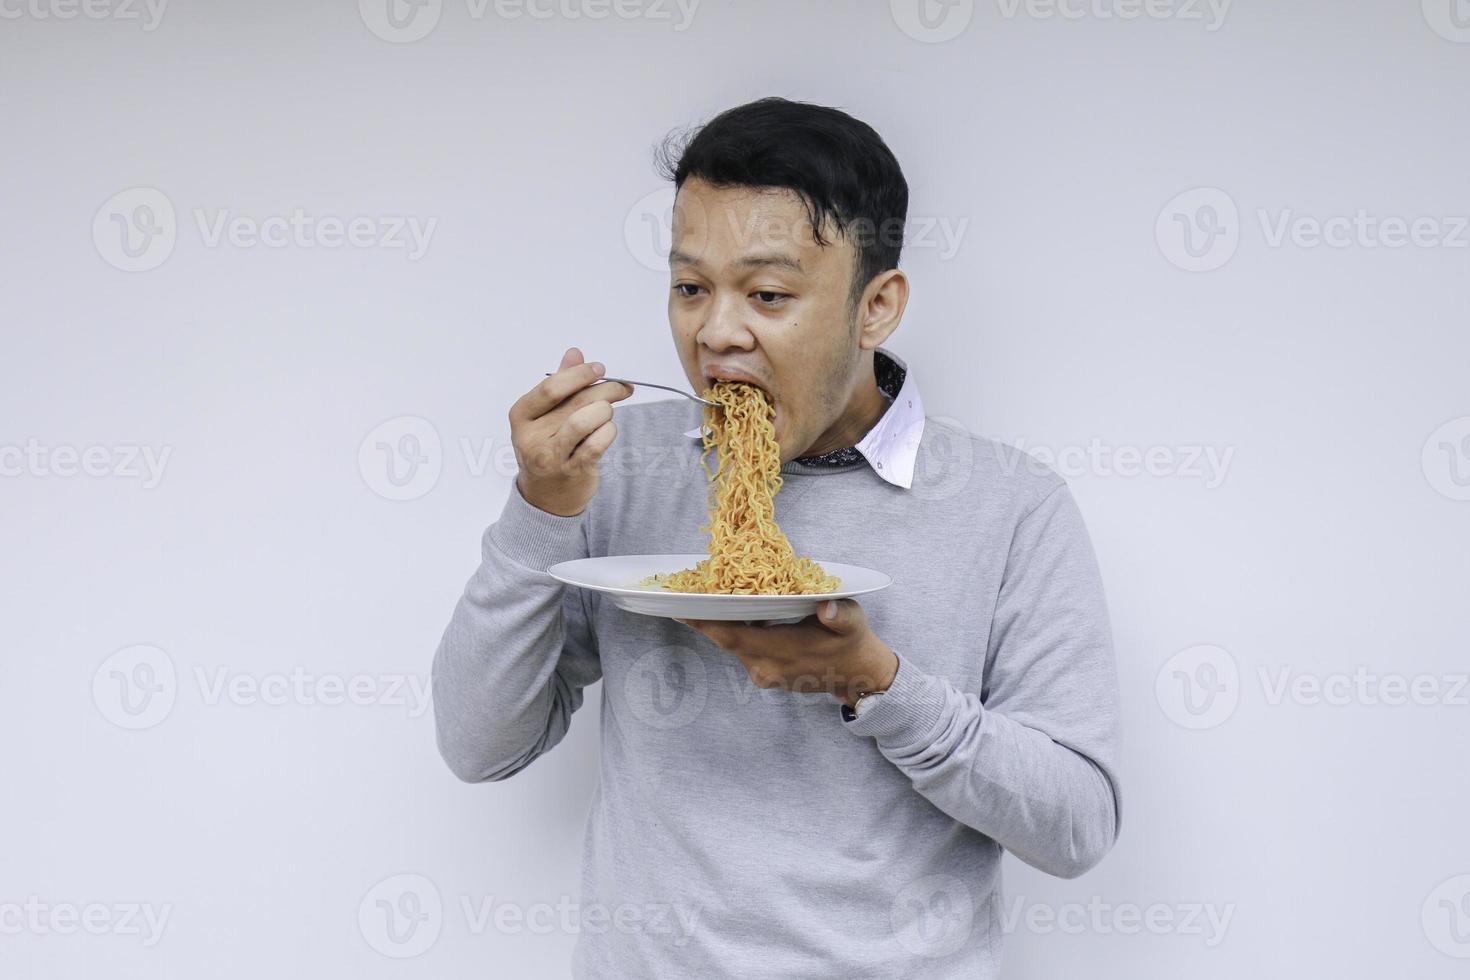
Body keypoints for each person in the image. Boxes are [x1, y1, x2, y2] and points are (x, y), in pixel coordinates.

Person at [431, 96, 1122, 978]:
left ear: (877, 308)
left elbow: (1077, 824)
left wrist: (876, 685)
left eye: (768, 294)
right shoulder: (618, 468)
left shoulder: (1012, 505)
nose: (717, 331)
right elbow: (480, 745)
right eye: (690, 287)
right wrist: (540, 509)